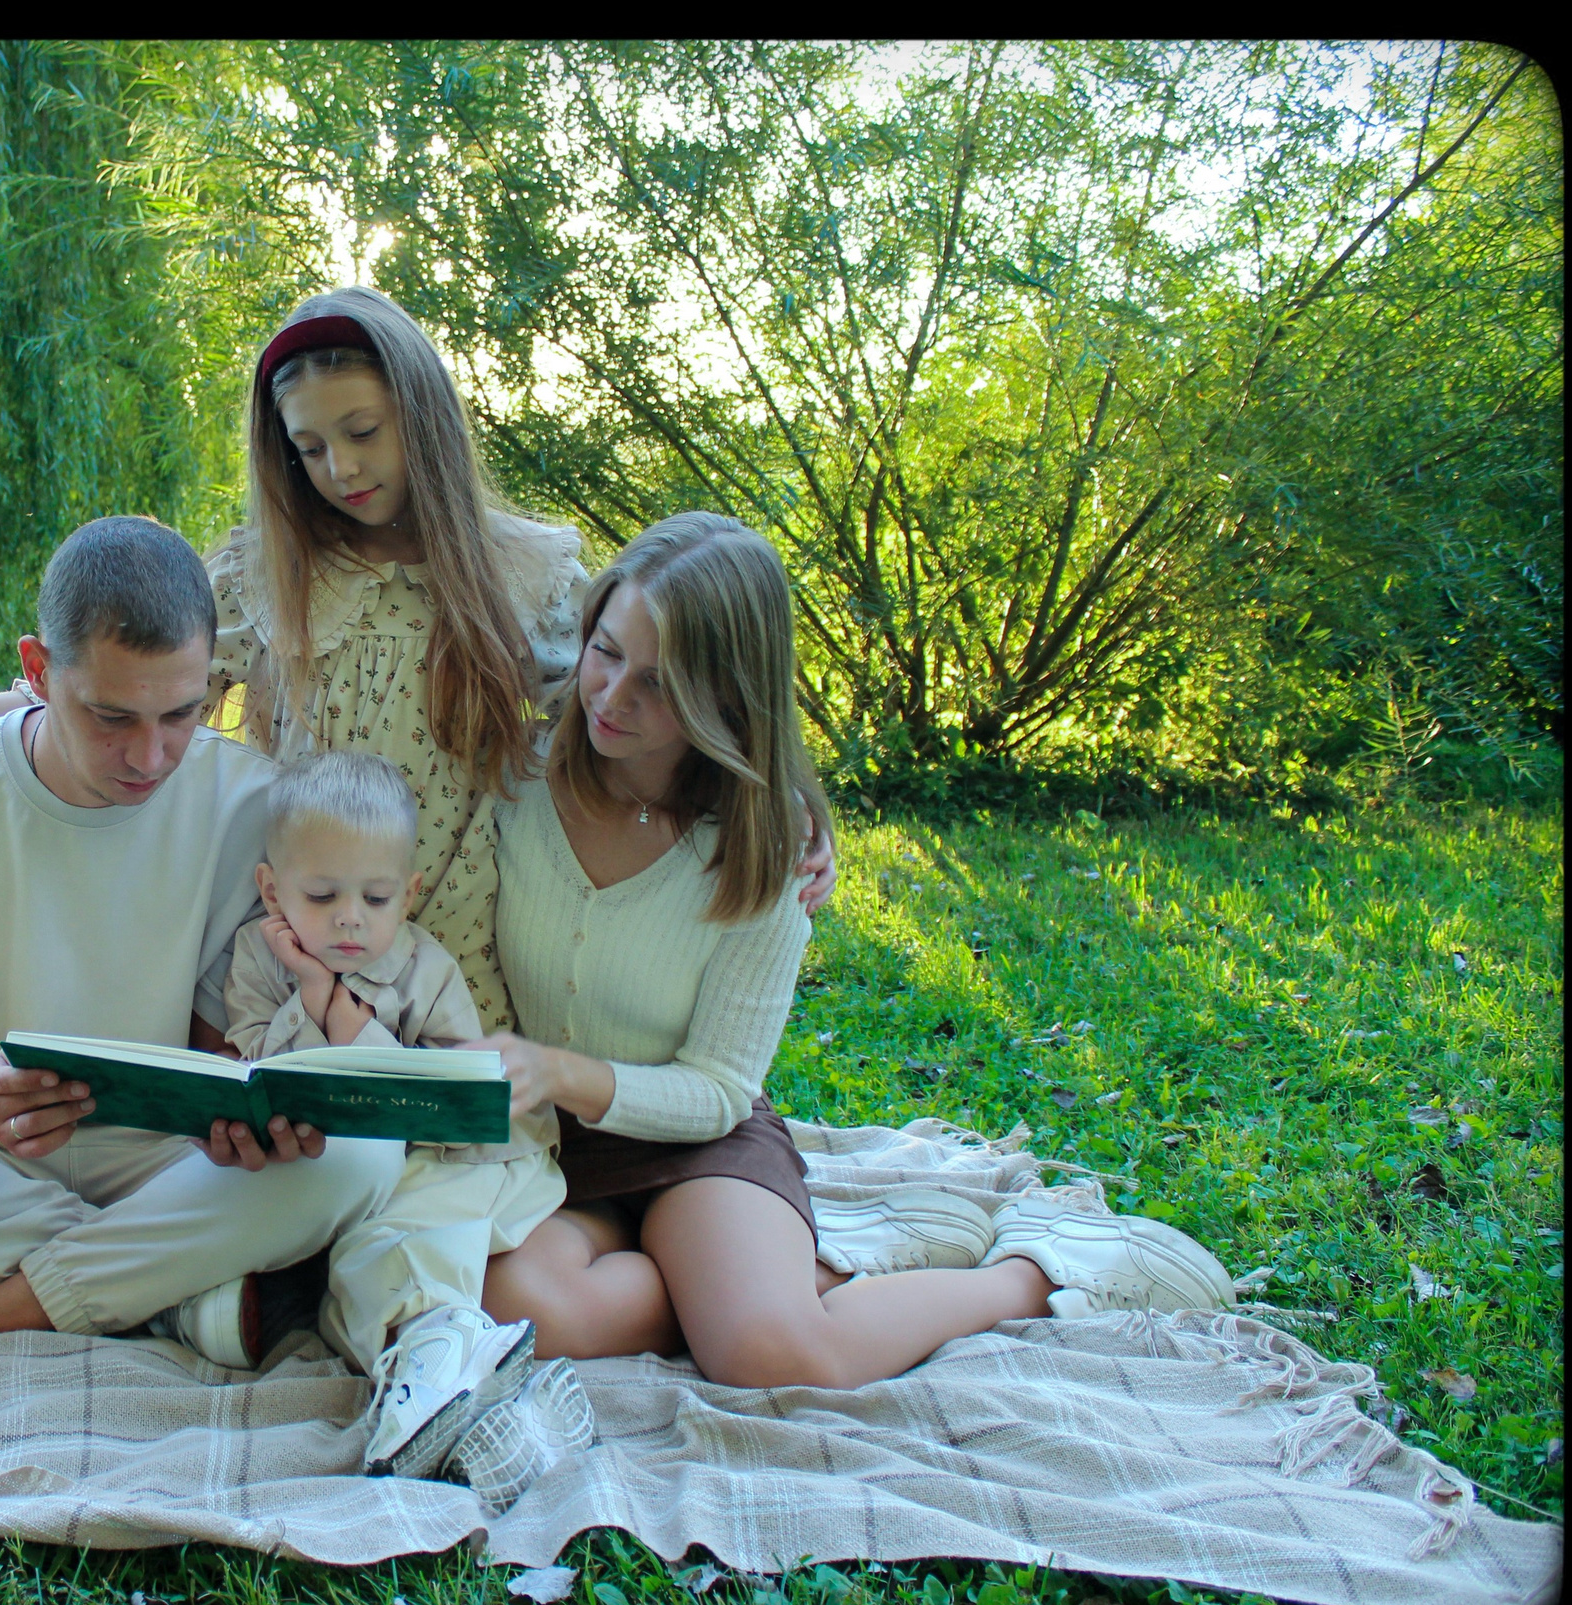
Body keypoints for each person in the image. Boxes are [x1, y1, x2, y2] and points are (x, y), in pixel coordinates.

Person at [0, 287, 842, 1041]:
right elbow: (131, 689)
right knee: (309, 1156)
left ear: (421, 417)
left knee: (452, 1173)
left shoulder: (524, 571)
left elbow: (655, 683)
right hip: (311, 929)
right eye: (308, 448)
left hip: (457, 929)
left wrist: (794, 804)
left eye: (362, 433)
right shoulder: (265, 577)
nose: (341, 469)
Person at [472, 514, 1235, 1390]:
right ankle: (765, 1280)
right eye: (606, 653)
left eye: (660, 684)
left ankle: (1026, 1274)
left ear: (729, 697)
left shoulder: (763, 842)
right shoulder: (516, 763)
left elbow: (719, 1087)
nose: (610, 699)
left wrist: (559, 1070)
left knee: (776, 1357)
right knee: (524, 1310)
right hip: (547, 1141)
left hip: (695, 1138)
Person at [0, 516, 406, 1356]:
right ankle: (167, 1289)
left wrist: (243, 1111)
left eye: (182, 714)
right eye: (111, 716)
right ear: (38, 672)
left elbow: (233, 1045)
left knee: (364, 1156)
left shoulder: (253, 806)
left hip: (172, 1166)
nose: (151, 755)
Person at [218, 750, 590, 1503]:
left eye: (378, 897)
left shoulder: (427, 971)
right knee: (355, 1263)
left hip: (455, 1166)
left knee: (399, 1235)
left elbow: (449, 1104)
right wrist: (303, 992)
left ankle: (422, 1366)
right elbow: (255, 1060)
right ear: (272, 888)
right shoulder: (257, 963)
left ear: (410, 893)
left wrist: (331, 1003)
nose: (351, 917)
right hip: (332, 1177)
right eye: (321, 895)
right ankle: (471, 1392)